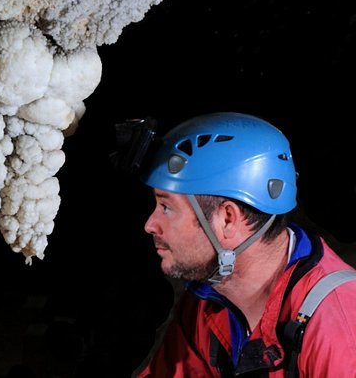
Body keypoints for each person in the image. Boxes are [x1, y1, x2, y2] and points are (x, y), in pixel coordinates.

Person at [135, 112, 355, 377]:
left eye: (167, 207)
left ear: (227, 219)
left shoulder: (339, 331)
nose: (151, 224)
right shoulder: (208, 304)